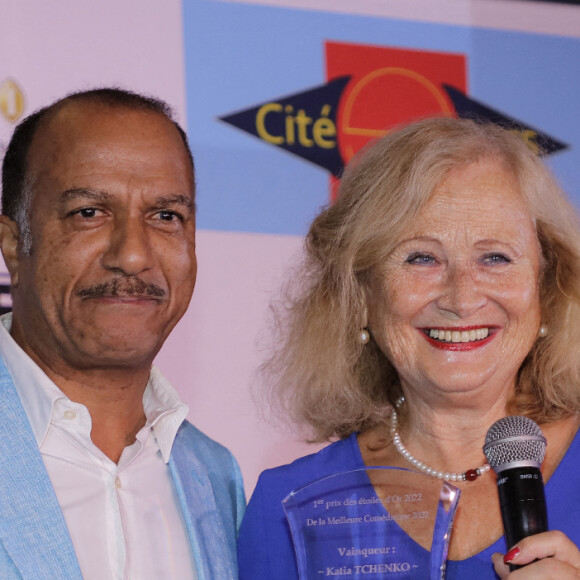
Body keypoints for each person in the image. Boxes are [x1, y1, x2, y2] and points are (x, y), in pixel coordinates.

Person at [238, 117, 580, 578]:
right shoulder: (293, 503)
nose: (462, 298)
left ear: (548, 287)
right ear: (360, 296)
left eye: (495, 257)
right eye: (421, 257)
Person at [0, 88, 244, 579]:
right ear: (12, 244)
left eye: (165, 216)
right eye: (89, 212)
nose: (133, 255)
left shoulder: (218, 478)